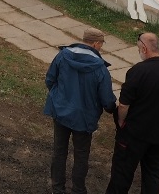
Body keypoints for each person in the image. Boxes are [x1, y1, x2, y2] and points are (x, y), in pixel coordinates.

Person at [105, 32, 159, 194]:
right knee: (153, 177)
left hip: (135, 135)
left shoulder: (137, 71)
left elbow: (123, 105)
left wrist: (121, 122)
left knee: (122, 174)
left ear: (144, 48)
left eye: (138, 48)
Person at [43, 27, 118, 194]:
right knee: (81, 155)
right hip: (84, 118)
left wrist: (58, 98)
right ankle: (78, 189)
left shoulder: (63, 56)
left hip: (61, 112)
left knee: (59, 151)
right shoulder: (100, 68)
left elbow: (50, 79)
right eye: (101, 44)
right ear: (96, 44)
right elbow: (106, 99)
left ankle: (57, 188)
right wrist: (112, 109)